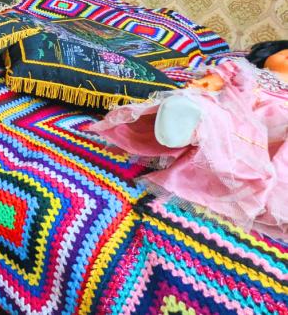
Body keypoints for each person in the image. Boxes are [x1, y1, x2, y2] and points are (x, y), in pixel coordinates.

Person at [89, 40, 288, 240]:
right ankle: (184, 121)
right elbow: (217, 80)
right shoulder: (247, 71)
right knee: (213, 112)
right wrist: (204, 85)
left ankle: (188, 124)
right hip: (235, 114)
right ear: (266, 55)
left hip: (272, 137)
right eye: (284, 52)